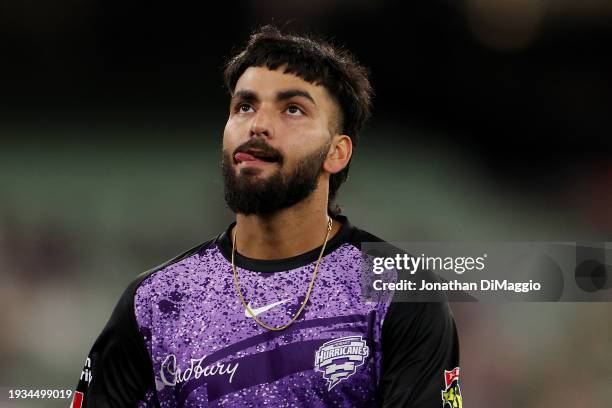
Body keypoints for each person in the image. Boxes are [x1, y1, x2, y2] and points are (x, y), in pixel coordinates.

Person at [71, 25, 461, 408]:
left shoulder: (401, 293)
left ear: (336, 152)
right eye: (244, 106)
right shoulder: (153, 302)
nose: (257, 124)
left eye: (292, 109)